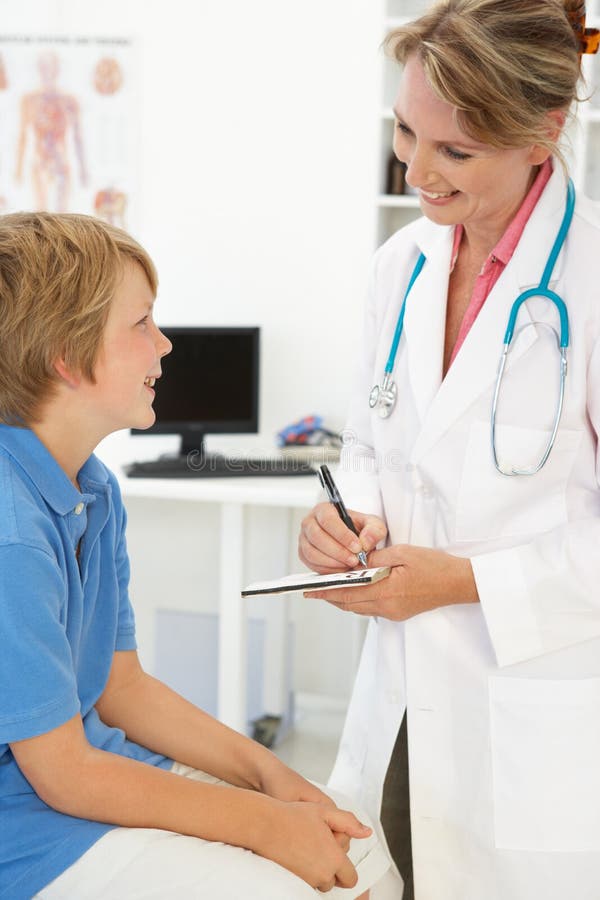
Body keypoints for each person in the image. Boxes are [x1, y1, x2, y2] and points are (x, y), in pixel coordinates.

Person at [298, 2, 600, 898]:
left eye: (455, 153)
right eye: (404, 131)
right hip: (396, 711)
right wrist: (346, 514)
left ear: (543, 132)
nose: (417, 170)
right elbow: (371, 434)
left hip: (536, 719)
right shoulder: (404, 263)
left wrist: (463, 581)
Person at [0, 212, 390, 900]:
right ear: (66, 353)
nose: (165, 343)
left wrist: (270, 777)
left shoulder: (94, 489)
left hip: (89, 774)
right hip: (27, 833)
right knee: (315, 888)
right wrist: (265, 825)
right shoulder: (11, 529)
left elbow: (123, 690)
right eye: (142, 324)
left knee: (362, 848)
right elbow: (62, 774)